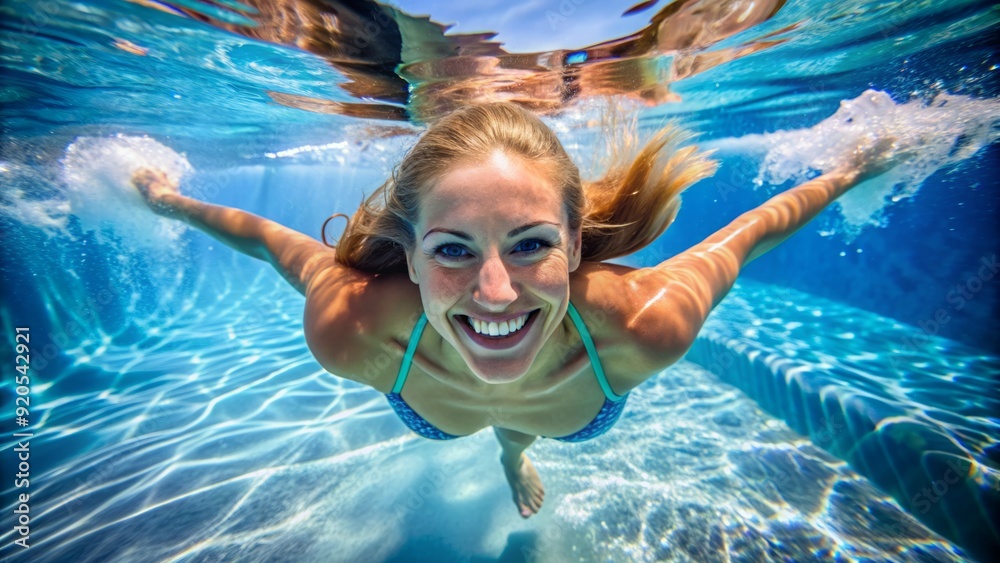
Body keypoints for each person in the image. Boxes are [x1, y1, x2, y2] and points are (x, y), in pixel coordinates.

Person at [131, 102, 888, 518]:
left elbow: (751, 231)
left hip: (559, 392)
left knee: (512, 417)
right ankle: (511, 446)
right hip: (483, 396)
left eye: (529, 245)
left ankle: (512, 450)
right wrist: (168, 201)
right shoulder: (354, 327)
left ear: (575, 240)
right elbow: (271, 240)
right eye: (453, 250)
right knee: (507, 382)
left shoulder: (640, 323)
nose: (495, 291)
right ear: (413, 251)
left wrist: (850, 170)